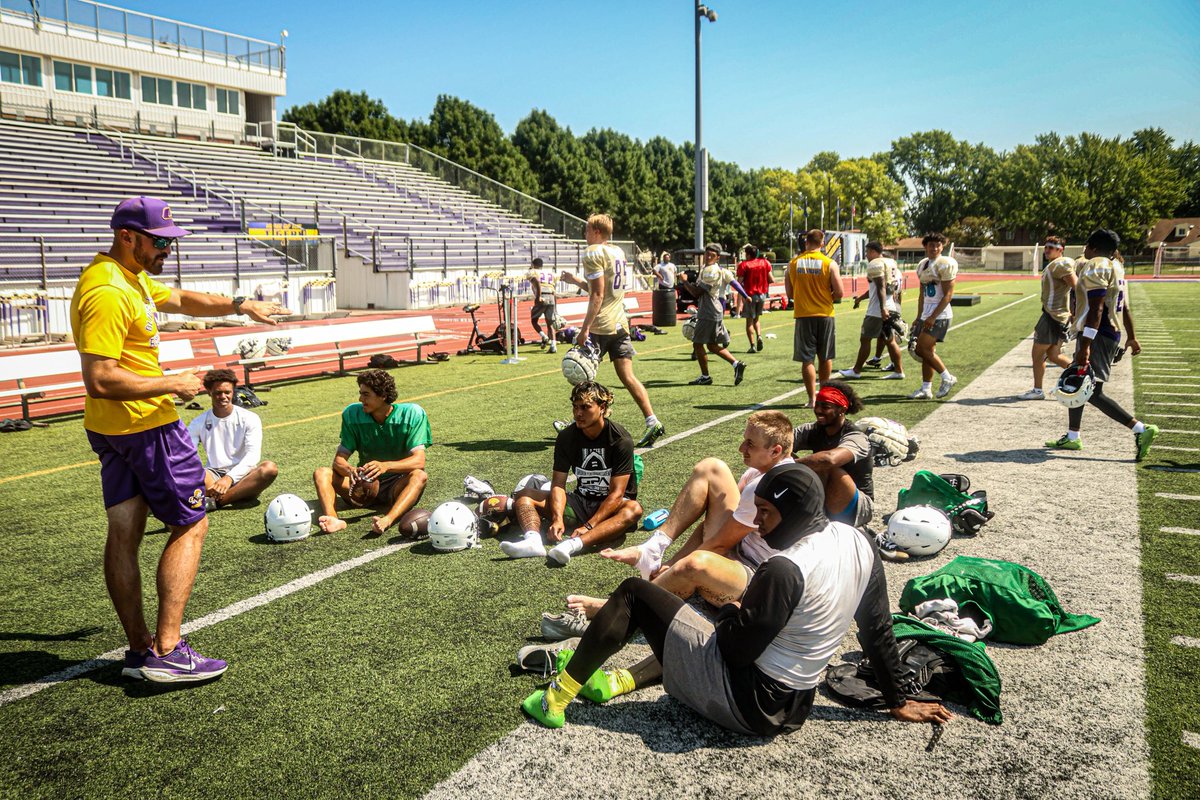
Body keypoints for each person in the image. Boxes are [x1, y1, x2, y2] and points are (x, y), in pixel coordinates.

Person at [519, 463, 954, 734]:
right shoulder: (859, 542)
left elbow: (732, 649)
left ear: (797, 512)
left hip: (748, 704)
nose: (758, 524)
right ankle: (620, 680)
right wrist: (897, 700)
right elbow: (877, 628)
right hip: (796, 705)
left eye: (766, 513)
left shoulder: (786, 567)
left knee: (637, 594)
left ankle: (555, 698)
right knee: (687, 617)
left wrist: (727, 609)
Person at [72, 195, 286, 683]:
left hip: (110, 427)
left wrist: (240, 305)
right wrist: (173, 383)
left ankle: (138, 650)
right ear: (128, 236)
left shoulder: (129, 276)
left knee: (124, 534)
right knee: (192, 523)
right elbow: (100, 378)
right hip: (145, 424)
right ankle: (167, 648)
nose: (168, 248)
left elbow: (184, 299)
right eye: (160, 240)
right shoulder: (107, 291)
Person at [563, 410, 796, 621]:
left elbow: (719, 543)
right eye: (744, 440)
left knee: (694, 564)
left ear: (775, 451)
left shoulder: (769, 485)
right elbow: (711, 526)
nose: (741, 448)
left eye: (750, 444)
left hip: (751, 576)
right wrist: (671, 564)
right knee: (712, 468)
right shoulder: (758, 471)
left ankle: (615, 607)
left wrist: (677, 568)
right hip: (736, 552)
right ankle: (654, 547)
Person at [501, 381, 643, 565]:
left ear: (602, 407)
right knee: (524, 495)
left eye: (585, 407)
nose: (578, 413)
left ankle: (572, 545)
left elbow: (616, 495)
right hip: (581, 501)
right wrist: (557, 518)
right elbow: (558, 484)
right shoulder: (566, 437)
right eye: (575, 407)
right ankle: (532, 541)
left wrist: (589, 526)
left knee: (634, 509)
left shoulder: (620, 439)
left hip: (611, 510)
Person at [1045, 229, 1158, 459]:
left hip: (1098, 333)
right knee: (1078, 381)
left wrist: (1086, 344)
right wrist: (1131, 335)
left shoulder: (1097, 264)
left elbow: (1096, 307)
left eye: (1087, 246)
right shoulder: (1116, 266)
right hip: (1106, 332)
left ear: (1093, 247)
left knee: (1093, 392)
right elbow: (1123, 306)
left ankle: (1141, 429)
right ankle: (1073, 436)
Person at [568, 214, 665, 449]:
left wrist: (584, 329)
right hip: (620, 322)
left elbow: (598, 294)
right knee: (628, 377)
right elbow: (605, 289)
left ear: (597, 232)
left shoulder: (593, 252)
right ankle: (652, 421)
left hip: (601, 324)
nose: (585, 234)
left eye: (587, 230)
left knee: (580, 373)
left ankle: (579, 426)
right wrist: (577, 281)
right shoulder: (617, 252)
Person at [312, 369, 430, 536]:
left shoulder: (412, 414)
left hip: (396, 485)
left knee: (419, 476)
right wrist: (351, 471)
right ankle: (333, 518)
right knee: (322, 473)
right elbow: (338, 461)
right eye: (360, 393)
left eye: (366, 394)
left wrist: (385, 466)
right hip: (362, 486)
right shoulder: (352, 414)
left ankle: (387, 519)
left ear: (382, 395)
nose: (360, 399)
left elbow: (419, 461)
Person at [186, 368, 279, 510]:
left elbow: (252, 456)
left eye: (227, 392)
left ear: (233, 391)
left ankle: (216, 502)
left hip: (244, 475)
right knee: (193, 469)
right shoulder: (198, 422)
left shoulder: (249, 418)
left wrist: (229, 478)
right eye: (218, 393)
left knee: (269, 469)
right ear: (209, 392)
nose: (223, 396)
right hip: (213, 476)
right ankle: (231, 496)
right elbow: (188, 455)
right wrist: (208, 478)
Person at [792, 380, 874, 527]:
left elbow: (829, 460)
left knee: (828, 467)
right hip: (827, 498)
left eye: (826, 407)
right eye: (817, 404)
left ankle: (820, 520)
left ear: (842, 409)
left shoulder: (856, 436)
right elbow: (779, 445)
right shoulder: (811, 430)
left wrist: (789, 465)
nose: (818, 410)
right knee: (778, 452)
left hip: (858, 506)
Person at [786, 229, 843, 407]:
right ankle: (824, 397)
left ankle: (812, 399)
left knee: (807, 359)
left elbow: (789, 293)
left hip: (804, 315)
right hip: (825, 314)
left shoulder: (793, 264)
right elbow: (840, 292)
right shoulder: (829, 263)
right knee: (825, 357)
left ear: (806, 242)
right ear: (822, 243)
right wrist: (826, 298)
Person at [679, 243, 748, 386]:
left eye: (712, 255)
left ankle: (705, 376)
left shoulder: (711, 271)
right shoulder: (717, 270)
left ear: (717, 257)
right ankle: (736, 364)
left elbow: (697, 292)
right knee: (711, 345)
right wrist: (745, 295)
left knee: (698, 344)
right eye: (707, 254)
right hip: (715, 309)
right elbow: (735, 283)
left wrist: (684, 281)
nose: (708, 256)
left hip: (709, 310)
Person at [1019, 237, 1077, 400]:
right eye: (1046, 247)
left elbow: (1076, 286)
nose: (1047, 250)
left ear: (1060, 249)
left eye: (1051, 247)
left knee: (1037, 355)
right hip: (1058, 315)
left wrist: (1077, 310)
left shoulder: (1060, 263)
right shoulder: (1053, 265)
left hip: (1053, 316)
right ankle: (1083, 376)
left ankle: (1037, 390)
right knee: (1054, 355)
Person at [840, 242, 905, 380]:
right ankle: (899, 371)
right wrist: (860, 299)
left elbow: (881, 287)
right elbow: (876, 289)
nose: (866, 255)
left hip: (877, 310)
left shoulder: (876, 264)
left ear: (874, 251)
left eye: (868, 251)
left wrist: (882, 308)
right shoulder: (890, 263)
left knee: (865, 339)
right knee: (890, 340)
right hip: (891, 306)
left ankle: (856, 370)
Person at [909, 232, 958, 400]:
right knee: (926, 351)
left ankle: (947, 377)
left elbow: (947, 295)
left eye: (938, 245)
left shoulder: (945, 264)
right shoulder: (923, 265)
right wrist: (919, 316)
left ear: (942, 247)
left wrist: (932, 317)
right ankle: (926, 388)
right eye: (931, 245)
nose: (934, 248)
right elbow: (922, 294)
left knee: (921, 348)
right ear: (925, 246)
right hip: (926, 314)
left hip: (940, 314)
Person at [736, 244, 773, 353]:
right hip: (762, 294)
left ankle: (752, 345)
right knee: (757, 319)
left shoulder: (744, 265)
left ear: (747, 254)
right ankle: (759, 336)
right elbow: (771, 279)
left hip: (749, 296)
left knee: (749, 321)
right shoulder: (765, 263)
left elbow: (739, 282)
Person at [527, 257, 559, 354]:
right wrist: (555, 309)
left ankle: (544, 336)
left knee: (534, 320)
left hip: (542, 296)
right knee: (549, 323)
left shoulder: (532, 272)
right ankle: (553, 345)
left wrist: (538, 296)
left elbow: (536, 281)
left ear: (533, 264)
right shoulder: (551, 274)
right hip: (551, 297)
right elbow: (554, 291)